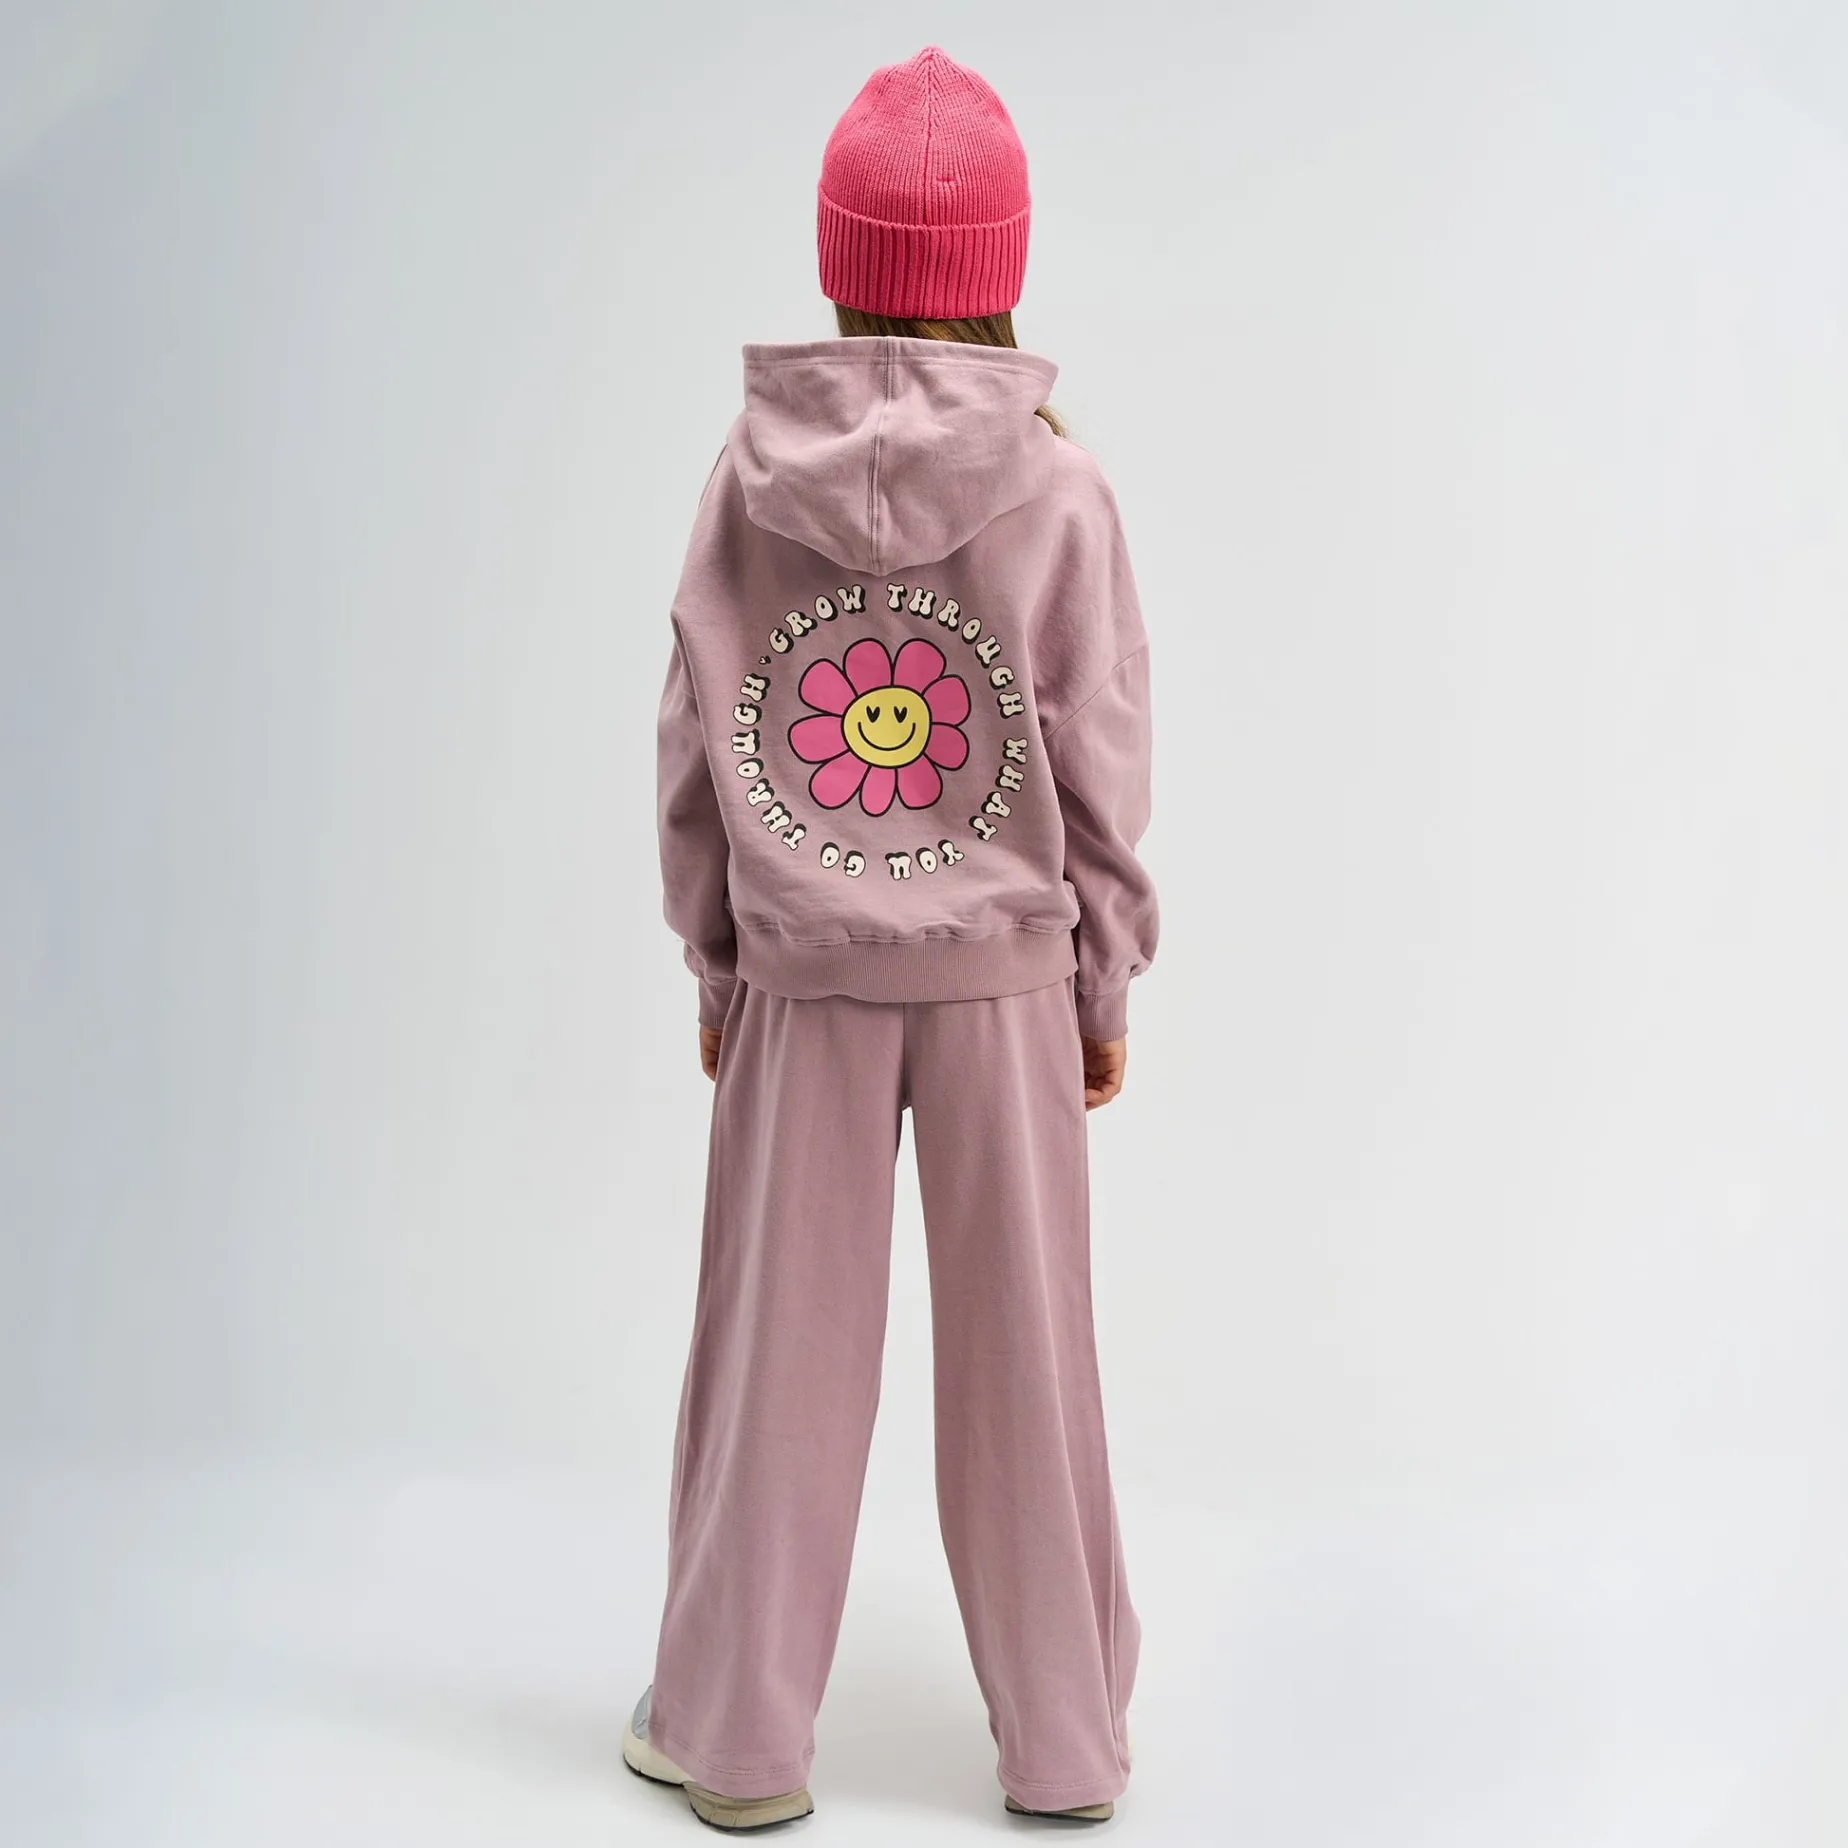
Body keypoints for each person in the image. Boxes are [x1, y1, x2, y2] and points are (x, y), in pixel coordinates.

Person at [622, 44, 1159, 1831]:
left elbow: (696, 739)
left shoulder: (742, 477)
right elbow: (1098, 755)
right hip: (1005, 981)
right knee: (1030, 1373)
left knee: (773, 1365)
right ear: (1006, 265)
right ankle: (1065, 1747)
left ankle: (736, 1740)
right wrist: (1101, 980)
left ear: (837, 258)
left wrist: (718, 957)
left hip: (806, 979)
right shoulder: (1064, 492)